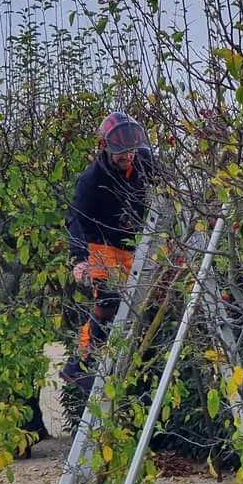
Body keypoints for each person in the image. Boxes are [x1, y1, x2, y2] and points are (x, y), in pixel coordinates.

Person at [60, 111, 154, 392]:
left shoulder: (145, 163)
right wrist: (78, 260)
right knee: (109, 299)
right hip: (99, 243)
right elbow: (75, 219)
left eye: (131, 151)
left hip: (131, 243)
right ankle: (81, 364)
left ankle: (122, 360)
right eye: (121, 153)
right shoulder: (90, 181)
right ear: (105, 148)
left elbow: (168, 186)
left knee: (144, 299)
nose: (127, 157)